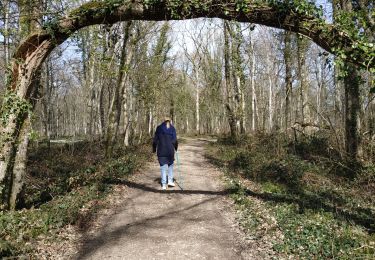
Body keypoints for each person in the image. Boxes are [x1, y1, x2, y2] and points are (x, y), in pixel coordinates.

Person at [152, 117, 178, 190]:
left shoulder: (159, 128)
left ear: (163, 121)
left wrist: (154, 149)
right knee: (170, 166)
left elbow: (155, 140)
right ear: (170, 121)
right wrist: (176, 148)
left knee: (163, 168)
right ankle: (170, 181)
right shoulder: (172, 128)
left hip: (161, 151)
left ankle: (163, 184)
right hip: (170, 151)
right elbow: (175, 140)